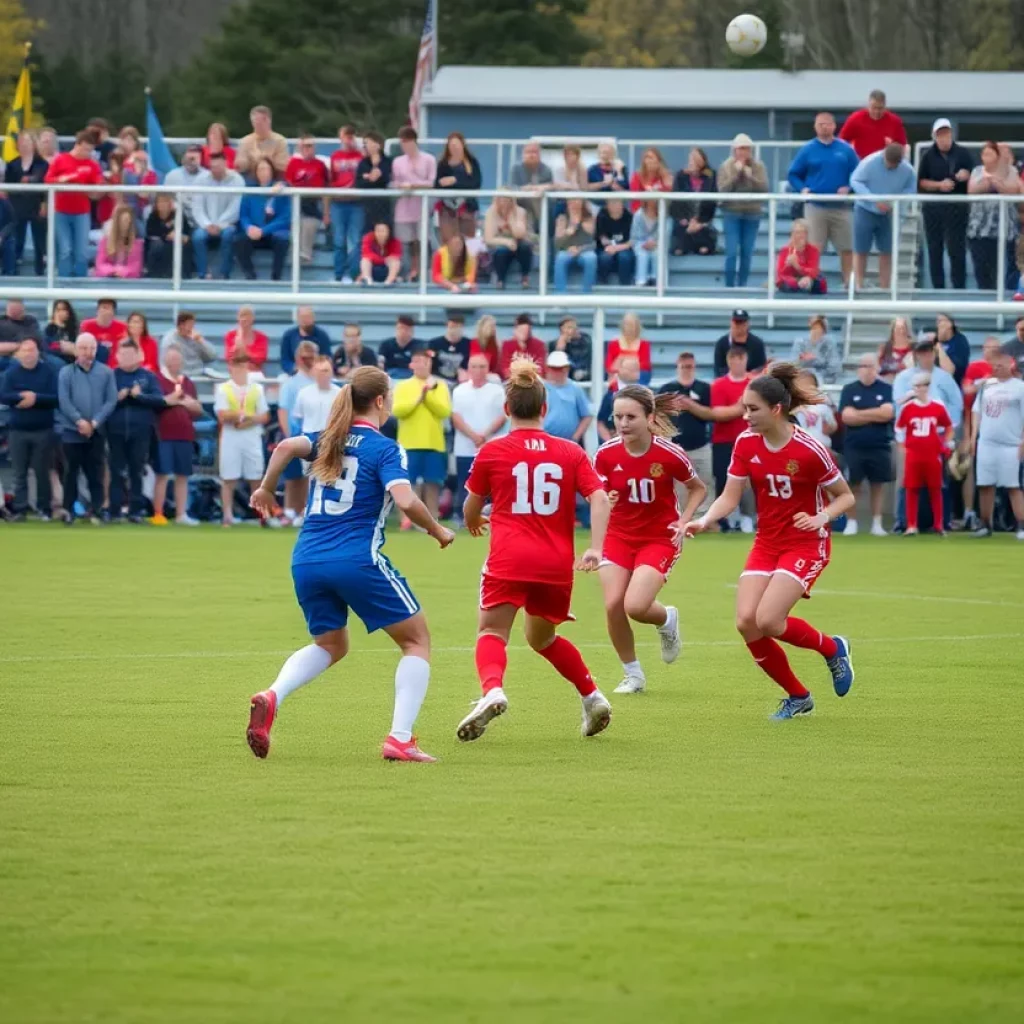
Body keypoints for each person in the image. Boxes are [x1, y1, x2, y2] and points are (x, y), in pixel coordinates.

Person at [246, 365, 456, 763]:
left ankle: (273, 694)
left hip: (307, 559)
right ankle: (400, 738)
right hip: (356, 559)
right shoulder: (386, 448)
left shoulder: (328, 440)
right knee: (416, 641)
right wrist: (438, 530)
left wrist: (265, 488)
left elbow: (285, 447)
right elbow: (407, 500)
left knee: (331, 643)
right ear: (380, 401)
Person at [686, 364, 856, 719]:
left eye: (752, 409)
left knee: (769, 620)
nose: (744, 416)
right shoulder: (745, 443)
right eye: (744, 408)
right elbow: (730, 496)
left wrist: (821, 518)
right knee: (746, 621)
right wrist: (704, 520)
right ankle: (798, 696)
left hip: (806, 543)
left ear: (776, 409)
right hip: (767, 542)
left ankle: (832, 648)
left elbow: (845, 497)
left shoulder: (810, 450)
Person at [456, 358, 613, 742]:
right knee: (542, 639)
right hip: (556, 564)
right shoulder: (571, 452)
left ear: (506, 409)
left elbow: (470, 508)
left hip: (509, 558)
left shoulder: (492, 452)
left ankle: (492, 689)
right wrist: (595, 548)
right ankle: (592, 697)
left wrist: (475, 520)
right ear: (545, 408)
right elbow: (600, 499)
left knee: (491, 631)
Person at [595, 385, 706, 694]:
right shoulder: (605, 453)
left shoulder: (669, 453)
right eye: (618, 416)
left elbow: (698, 488)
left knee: (636, 605)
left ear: (650, 418)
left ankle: (666, 620)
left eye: (631, 416)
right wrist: (607, 499)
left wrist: (684, 521)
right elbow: (598, 496)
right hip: (617, 536)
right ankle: (633, 675)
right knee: (614, 604)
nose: (623, 423)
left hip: (658, 538)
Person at [787, 113, 860, 287]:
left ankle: (848, 284)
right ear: (815, 127)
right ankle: (813, 282)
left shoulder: (846, 149)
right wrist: (802, 189)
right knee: (813, 249)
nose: (824, 127)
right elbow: (793, 174)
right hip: (815, 207)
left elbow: (858, 173)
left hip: (841, 207)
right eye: (820, 124)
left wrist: (849, 187)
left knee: (847, 248)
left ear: (834, 126)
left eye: (827, 124)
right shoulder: (808, 149)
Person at [57, 333, 117, 524]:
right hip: (71, 431)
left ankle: (98, 509)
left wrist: (94, 423)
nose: (87, 352)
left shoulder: (106, 372)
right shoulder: (66, 372)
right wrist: (79, 421)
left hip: (96, 431)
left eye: (91, 348)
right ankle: (68, 511)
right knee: (70, 473)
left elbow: (111, 400)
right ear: (76, 349)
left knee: (96, 473)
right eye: (83, 348)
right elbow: (64, 401)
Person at [970, 343, 1024, 539]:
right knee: (985, 484)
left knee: (1013, 486)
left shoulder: (1020, 388)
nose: (996, 368)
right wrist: (973, 436)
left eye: (1000, 364)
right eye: (994, 364)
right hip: (987, 443)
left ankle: (1022, 524)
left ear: (1010, 364)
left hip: (1010, 444)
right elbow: (977, 411)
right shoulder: (987, 387)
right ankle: (985, 523)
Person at [107, 340, 165, 523]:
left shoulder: (148, 376)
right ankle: (114, 511)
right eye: (123, 355)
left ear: (138, 356)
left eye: (130, 355)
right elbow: (102, 403)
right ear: (117, 356)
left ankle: (135, 511)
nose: (126, 358)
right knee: (115, 472)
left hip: (140, 432)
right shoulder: (111, 376)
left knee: (136, 472)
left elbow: (159, 400)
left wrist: (139, 396)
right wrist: (118, 397)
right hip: (115, 431)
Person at [0, 337, 58, 519]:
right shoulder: (11, 373)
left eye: (32, 350)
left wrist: (35, 398)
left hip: (43, 429)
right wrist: (21, 397)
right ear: (18, 354)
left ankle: (44, 508)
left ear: (38, 353)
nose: (29, 354)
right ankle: (20, 508)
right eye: (25, 350)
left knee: (42, 471)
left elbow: (56, 397)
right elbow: (4, 396)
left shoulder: (49, 371)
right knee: (19, 472)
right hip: (17, 430)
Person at [391, 349, 452, 520]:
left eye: (425, 361)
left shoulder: (440, 385)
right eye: (418, 361)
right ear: (411, 364)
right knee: (407, 484)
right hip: (409, 443)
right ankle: (406, 520)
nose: (422, 365)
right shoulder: (403, 386)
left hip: (434, 443)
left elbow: (444, 411)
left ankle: (432, 517)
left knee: (433, 483)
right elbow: (398, 411)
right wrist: (419, 398)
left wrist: (427, 398)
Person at [839, 354, 895, 537]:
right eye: (863, 366)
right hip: (854, 445)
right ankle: (852, 522)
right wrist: (874, 414)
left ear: (877, 368)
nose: (867, 369)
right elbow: (847, 416)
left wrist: (860, 415)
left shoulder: (886, 389)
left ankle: (877, 523)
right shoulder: (849, 389)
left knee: (877, 485)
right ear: (858, 369)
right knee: (852, 484)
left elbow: (887, 413)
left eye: (870, 366)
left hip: (879, 444)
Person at [850, 142, 919, 290]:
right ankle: (859, 285)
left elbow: (911, 188)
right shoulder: (869, 162)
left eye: (895, 165)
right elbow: (855, 181)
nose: (891, 167)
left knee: (887, 251)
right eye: (889, 164)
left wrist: (895, 201)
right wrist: (873, 199)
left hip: (889, 213)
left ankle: (885, 288)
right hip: (865, 210)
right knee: (861, 250)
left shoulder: (908, 170)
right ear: (883, 156)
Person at [918, 118, 974, 290]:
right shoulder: (927, 155)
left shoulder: (963, 153)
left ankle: (959, 288)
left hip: (958, 209)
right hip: (933, 210)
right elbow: (921, 182)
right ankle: (938, 289)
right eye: (940, 134)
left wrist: (966, 174)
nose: (944, 138)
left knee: (957, 250)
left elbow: (974, 174)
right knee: (935, 250)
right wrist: (939, 185)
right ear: (935, 136)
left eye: (947, 134)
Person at [215, 351, 270, 527]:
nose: (240, 369)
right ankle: (227, 516)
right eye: (236, 365)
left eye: (243, 365)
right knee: (228, 478)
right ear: (231, 368)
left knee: (256, 477)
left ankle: (262, 516)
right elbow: (222, 415)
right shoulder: (223, 388)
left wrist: (247, 419)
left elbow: (265, 416)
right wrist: (241, 415)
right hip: (231, 437)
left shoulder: (256, 388)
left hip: (251, 436)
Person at [895, 372, 953, 536]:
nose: (920, 389)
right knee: (911, 489)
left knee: (935, 488)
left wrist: (946, 443)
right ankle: (911, 524)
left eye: (923, 385)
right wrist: (903, 447)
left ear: (928, 387)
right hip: (914, 453)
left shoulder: (937, 406)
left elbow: (948, 426)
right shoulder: (908, 408)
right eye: (917, 386)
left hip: (932, 454)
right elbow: (899, 429)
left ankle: (939, 524)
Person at [451, 353, 507, 522]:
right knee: (465, 483)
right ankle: (463, 516)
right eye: (474, 366)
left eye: (482, 366)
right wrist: (474, 436)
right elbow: (456, 417)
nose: (478, 370)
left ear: (488, 369)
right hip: (464, 447)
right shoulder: (459, 391)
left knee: (492, 484)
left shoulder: (497, 391)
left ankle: (491, 516)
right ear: (468, 369)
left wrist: (485, 435)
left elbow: (502, 415)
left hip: (491, 446)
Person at [152, 345, 203, 526]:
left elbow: (197, 408)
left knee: (183, 475)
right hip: (164, 434)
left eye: (177, 360)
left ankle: (181, 514)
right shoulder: (157, 379)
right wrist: (175, 399)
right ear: (166, 360)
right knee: (163, 474)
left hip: (185, 435)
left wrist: (184, 402)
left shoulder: (187, 382)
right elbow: (158, 403)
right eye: (172, 359)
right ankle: (158, 513)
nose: (175, 363)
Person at [658, 352, 713, 513]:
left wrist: (691, 406)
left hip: (700, 444)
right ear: (677, 366)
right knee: (679, 486)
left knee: (704, 482)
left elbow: (711, 414)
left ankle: (702, 519)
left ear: (695, 367)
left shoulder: (704, 388)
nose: (686, 370)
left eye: (689, 366)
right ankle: (681, 517)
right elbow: (658, 415)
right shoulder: (667, 389)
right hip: (676, 446)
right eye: (683, 366)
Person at [45, 130, 103, 278]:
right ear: (77, 145)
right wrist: (62, 180)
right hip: (61, 211)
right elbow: (47, 180)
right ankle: (64, 283)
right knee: (65, 249)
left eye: (90, 150)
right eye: (85, 149)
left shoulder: (92, 165)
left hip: (82, 212)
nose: (87, 152)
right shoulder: (60, 160)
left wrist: (87, 190)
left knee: (82, 251)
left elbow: (99, 187)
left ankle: (80, 284)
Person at [966, 140, 1022, 290]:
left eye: (991, 154)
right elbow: (972, 190)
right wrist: (988, 183)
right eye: (985, 154)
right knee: (981, 268)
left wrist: (995, 182)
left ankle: (1002, 303)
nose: (987, 157)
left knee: (1000, 269)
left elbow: (1013, 191)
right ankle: (985, 299)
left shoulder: (1011, 171)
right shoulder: (977, 171)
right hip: (979, 229)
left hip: (1003, 230)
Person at [718, 134, 768, 288]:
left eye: (746, 149)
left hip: (752, 213)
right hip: (731, 212)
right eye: (740, 149)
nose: (743, 152)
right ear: (734, 150)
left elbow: (764, 189)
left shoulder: (758, 166)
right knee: (732, 252)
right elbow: (722, 189)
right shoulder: (726, 166)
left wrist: (750, 176)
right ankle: (729, 287)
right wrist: (735, 174)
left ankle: (742, 285)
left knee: (747, 253)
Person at [276, 341, 318, 524]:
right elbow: (283, 410)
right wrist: (288, 435)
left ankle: (303, 510)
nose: (308, 360)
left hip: (316, 434)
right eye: (304, 356)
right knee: (293, 477)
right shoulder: (291, 384)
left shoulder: (321, 382)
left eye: (311, 356)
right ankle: (289, 510)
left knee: (310, 476)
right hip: (296, 433)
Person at [390, 126, 436, 282]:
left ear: (413, 141)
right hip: (404, 206)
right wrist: (399, 186)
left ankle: (424, 272)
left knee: (422, 240)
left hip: (421, 207)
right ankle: (409, 272)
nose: (404, 145)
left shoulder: (429, 159)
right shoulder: (397, 161)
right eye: (402, 142)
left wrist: (413, 185)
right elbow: (396, 181)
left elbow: (431, 183)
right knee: (406, 241)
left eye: (406, 142)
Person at [191, 152, 244, 279]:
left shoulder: (237, 180)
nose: (215, 170)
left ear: (225, 164)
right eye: (212, 167)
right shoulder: (200, 180)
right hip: (206, 224)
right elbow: (197, 207)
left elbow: (236, 207)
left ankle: (224, 273)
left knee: (228, 235)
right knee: (197, 237)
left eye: (218, 166)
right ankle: (203, 273)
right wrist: (207, 225)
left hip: (227, 224)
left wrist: (220, 225)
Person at [234, 157, 290, 281]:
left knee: (282, 241)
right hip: (254, 232)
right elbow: (243, 215)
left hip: (272, 232)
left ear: (272, 171)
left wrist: (264, 231)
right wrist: (249, 227)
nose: (263, 172)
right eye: (260, 169)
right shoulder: (250, 191)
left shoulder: (282, 190)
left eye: (266, 169)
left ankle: (276, 278)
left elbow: (285, 218)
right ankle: (250, 276)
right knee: (239, 241)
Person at [5, 130, 48, 276]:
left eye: (28, 142)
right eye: (22, 142)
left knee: (39, 238)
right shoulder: (12, 164)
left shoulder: (41, 163)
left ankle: (39, 269)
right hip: (17, 205)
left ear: (33, 144)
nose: (24, 145)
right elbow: (8, 185)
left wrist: (44, 203)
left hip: (36, 204)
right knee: (17, 237)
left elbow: (41, 179)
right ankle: (15, 265)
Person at [285, 133, 329, 266]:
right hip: (296, 201)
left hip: (313, 202)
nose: (306, 149)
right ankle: (295, 254)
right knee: (297, 221)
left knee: (310, 221)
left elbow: (326, 190)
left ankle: (305, 254)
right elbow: (288, 184)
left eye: (309, 146)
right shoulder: (293, 164)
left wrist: (327, 213)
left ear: (315, 147)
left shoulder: (320, 165)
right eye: (303, 146)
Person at [670, 147, 717, 256]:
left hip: (702, 219)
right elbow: (676, 200)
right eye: (692, 159)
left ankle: (701, 244)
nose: (694, 162)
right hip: (684, 218)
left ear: (703, 161)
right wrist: (684, 219)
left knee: (704, 249)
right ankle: (683, 245)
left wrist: (698, 222)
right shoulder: (681, 175)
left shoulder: (710, 175)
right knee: (678, 250)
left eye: (697, 159)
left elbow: (711, 202)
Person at [839, 89, 908, 160]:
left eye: (880, 108)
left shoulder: (895, 121)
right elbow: (841, 142)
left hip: (886, 165)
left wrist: (893, 146)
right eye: (874, 107)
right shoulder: (855, 118)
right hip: (862, 164)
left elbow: (902, 147)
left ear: (885, 105)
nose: (877, 111)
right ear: (868, 104)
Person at [543, 350, 592, 445]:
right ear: (548, 368)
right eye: (555, 368)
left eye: (562, 368)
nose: (559, 371)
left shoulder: (575, 388)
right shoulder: (540, 389)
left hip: (569, 443)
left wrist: (575, 437)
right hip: (546, 442)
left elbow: (587, 415)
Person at [483, 194, 532, 289]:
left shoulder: (520, 211)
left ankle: (525, 277)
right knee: (501, 252)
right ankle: (500, 280)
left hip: (518, 242)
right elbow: (488, 239)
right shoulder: (491, 212)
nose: (503, 203)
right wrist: (506, 242)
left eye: (506, 200)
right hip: (500, 243)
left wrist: (511, 219)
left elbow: (520, 234)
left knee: (525, 247)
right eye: (501, 200)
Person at [507, 140, 553, 231]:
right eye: (528, 152)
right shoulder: (516, 169)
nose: (531, 155)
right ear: (523, 154)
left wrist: (539, 189)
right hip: (520, 206)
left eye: (534, 152)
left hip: (541, 207)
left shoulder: (546, 170)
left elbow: (550, 188)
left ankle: (543, 236)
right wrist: (526, 189)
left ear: (539, 155)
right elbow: (512, 188)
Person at [553, 198, 597, 293]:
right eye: (571, 200)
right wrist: (568, 233)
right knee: (560, 257)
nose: (574, 203)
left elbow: (593, 244)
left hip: (584, 251)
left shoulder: (589, 219)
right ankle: (560, 295)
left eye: (577, 200)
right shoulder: (562, 218)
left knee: (591, 258)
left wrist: (579, 249)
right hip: (566, 250)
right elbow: (557, 244)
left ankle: (587, 294)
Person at [145, 193, 192, 279]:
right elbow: (150, 233)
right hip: (159, 243)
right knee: (159, 246)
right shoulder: (153, 216)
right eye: (160, 202)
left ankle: (184, 275)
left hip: (176, 241)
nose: (163, 204)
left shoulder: (178, 215)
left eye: (165, 201)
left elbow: (187, 231)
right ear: (156, 204)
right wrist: (167, 235)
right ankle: (154, 274)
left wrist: (182, 236)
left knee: (185, 245)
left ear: (170, 203)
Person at [234, 105, 289, 178]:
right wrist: (243, 163)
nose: (257, 124)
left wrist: (263, 159)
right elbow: (240, 166)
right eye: (255, 121)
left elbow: (283, 166)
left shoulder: (280, 140)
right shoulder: (246, 141)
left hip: (273, 179)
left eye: (261, 121)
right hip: (251, 179)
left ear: (269, 120)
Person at [712, 309, 767, 379]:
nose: (739, 326)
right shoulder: (722, 344)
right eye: (737, 322)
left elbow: (760, 369)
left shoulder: (757, 344)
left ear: (747, 324)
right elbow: (719, 370)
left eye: (742, 322)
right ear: (731, 323)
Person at [597, 355, 641, 441]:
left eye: (637, 369)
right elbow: (600, 422)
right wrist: (610, 441)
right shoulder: (610, 394)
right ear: (620, 370)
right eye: (631, 369)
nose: (636, 373)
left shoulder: (644, 396)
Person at [160, 311, 216, 378]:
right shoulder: (169, 340)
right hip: (179, 376)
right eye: (190, 325)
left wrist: (201, 341)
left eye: (193, 325)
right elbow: (164, 364)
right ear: (181, 326)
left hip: (198, 374)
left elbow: (212, 357)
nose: (192, 328)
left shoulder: (196, 337)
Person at [776, 218, 825, 295]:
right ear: (792, 234)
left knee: (818, 283)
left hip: (808, 279)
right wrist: (788, 265)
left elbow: (813, 271)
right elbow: (781, 274)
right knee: (789, 285)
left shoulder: (813, 250)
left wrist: (798, 266)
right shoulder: (785, 250)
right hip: (791, 281)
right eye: (797, 232)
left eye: (804, 232)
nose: (801, 235)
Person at [94, 204, 143, 279]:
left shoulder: (136, 244)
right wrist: (113, 271)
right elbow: (99, 265)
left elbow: (135, 269)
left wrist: (122, 272)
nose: (125, 224)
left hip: (128, 282)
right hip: (108, 280)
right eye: (122, 221)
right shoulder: (105, 242)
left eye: (127, 221)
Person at [295, 356, 341, 435]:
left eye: (325, 371)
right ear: (313, 372)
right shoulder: (304, 393)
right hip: (309, 436)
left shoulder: (340, 393)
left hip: (331, 436)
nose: (322, 374)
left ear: (332, 372)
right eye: (318, 371)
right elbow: (299, 417)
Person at [789, 313, 841, 384]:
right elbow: (793, 364)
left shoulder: (830, 344)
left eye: (820, 327)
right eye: (814, 327)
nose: (816, 330)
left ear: (824, 329)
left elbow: (834, 368)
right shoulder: (800, 342)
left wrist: (817, 374)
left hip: (824, 382)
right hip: (802, 381)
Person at [356, 130, 392, 230]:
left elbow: (387, 179)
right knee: (367, 234)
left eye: (367, 143)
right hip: (367, 207)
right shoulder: (363, 163)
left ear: (377, 144)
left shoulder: (387, 162)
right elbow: (358, 183)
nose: (364, 146)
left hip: (383, 206)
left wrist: (375, 176)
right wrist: (370, 179)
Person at [279, 306, 332, 375]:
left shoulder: (322, 336)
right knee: (282, 379)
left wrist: (316, 367)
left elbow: (326, 357)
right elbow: (285, 360)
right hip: (294, 372)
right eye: (303, 317)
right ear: (298, 318)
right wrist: (293, 368)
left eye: (308, 317)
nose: (305, 320)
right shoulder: (288, 336)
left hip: (316, 372)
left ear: (313, 318)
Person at [595, 198, 635, 285]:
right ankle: (602, 283)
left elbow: (632, 241)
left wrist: (616, 248)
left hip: (624, 247)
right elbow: (602, 238)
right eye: (612, 203)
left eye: (617, 202)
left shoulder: (629, 217)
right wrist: (611, 246)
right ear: (607, 205)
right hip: (606, 247)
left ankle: (625, 285)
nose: (614, 205)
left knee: (625, 257)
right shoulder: (602, 215)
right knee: (604, 257)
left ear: (622, 204)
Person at [793, 370, 837, 448]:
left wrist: (831, 427)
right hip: (799, 446)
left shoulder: (823, 406)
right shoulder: (790, 407)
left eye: (809, 386)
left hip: (821, 445)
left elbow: (833, 425)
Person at [606, 311, 652, 385]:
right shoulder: (614, 343)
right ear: (622, 325)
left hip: (638, 377)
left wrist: (628, 367)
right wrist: (623, 370)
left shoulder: (644, 344)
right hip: (619, 376)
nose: (629, 328)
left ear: (637, 326)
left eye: (632, 325)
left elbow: (646, 365)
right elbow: (609, 366)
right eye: (627, 324)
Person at [78, 298, 127, 367]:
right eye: (103, 308)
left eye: (107, 308)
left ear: (113, 312)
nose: (104, 311)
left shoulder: (122, 327)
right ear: (97, 311)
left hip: (115, 366)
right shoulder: (86, 325)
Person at [163, 145, 206, 224]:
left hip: (201, 217)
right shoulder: (172, 175)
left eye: (194, 158)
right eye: (189, 158)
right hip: (177, 217)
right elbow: (166, 198)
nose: (191, 161)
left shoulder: (207, 176)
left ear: (200, 159)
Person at [378, 314, 426, 378]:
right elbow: (380, 363)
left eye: (406, 329)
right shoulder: (386, 345)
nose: (403, 331)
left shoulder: (420, 345)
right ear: (396, 329)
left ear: (412, 331)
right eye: (401, 328)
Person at [499, 313, 546, 379]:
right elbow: (505, 370)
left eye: (527, 331)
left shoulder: (539, 345)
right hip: (513, 382)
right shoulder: (507, 345)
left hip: (533, 382)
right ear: (515, 330)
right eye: (521, 331)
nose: (524, 334)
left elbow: (540, 370)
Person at [430, 312, 471, 387]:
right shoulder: (434, 344)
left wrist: (465, 372)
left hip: (461, 381)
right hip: (438, 379)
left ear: (462, 328)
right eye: (452, 327)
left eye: (457, 327)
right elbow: (429, 363)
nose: (454, 330)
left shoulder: (469, 344)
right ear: (447, 326)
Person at [549, 316, 592, 383]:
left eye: (575, 327)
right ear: (561, 331)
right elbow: (556, 365)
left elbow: (583, 363)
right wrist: (560, 348)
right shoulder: (554, 344)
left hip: (585, 378)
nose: (574, 329)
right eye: (569, 327)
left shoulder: (586, 341)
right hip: (564, 380)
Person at [224, 306, 268, 371]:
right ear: (238, 318)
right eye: (242, 316)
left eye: (248, 315)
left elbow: (260, 359)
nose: (244, 319)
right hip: (236, 372)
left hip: (255, 373)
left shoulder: (262, 337)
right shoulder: (230, 335)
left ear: (253, 318)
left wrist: (242, 349)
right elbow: (230, 359)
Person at [358, 221, 402, 285]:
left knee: (395, 261)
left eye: (383, 231)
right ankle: (367, 279)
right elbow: (366, 254)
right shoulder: (368, 238)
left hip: (387, 269)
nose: (380, 233)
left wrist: (387, 259)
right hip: (372, 268)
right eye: (378, 231)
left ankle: (389, 281)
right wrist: (383, 259)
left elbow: (396, 256)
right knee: (365, 260)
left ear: (389, 232)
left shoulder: (395, 241)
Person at [629, 200, 660, 288]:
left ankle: (655, 279)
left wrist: (654, 241)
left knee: (656, 253)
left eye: (654, 201)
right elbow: (635, 234)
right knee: (642, 254)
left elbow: (664, 231)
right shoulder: (638, 215)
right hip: (640, 241)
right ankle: (641, 281)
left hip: (657, 242)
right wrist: (646, 242)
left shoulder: (663, 214)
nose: (652, 203)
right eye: (650, 201)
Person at [877, 316, 914, 381]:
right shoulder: (884, 347)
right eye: (897, 328)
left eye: (902, 328)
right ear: (893, 330)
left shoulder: (914, 347)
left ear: (907, 330)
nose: (900, 331)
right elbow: (878, 367)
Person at [44, 299, 78, 364]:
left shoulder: (75, 329)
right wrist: (58, 325)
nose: (61, 313)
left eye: (64, 309)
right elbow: (50, 347)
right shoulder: (49, 329)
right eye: (58, 310)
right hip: (57, 362)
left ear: (68, 312)